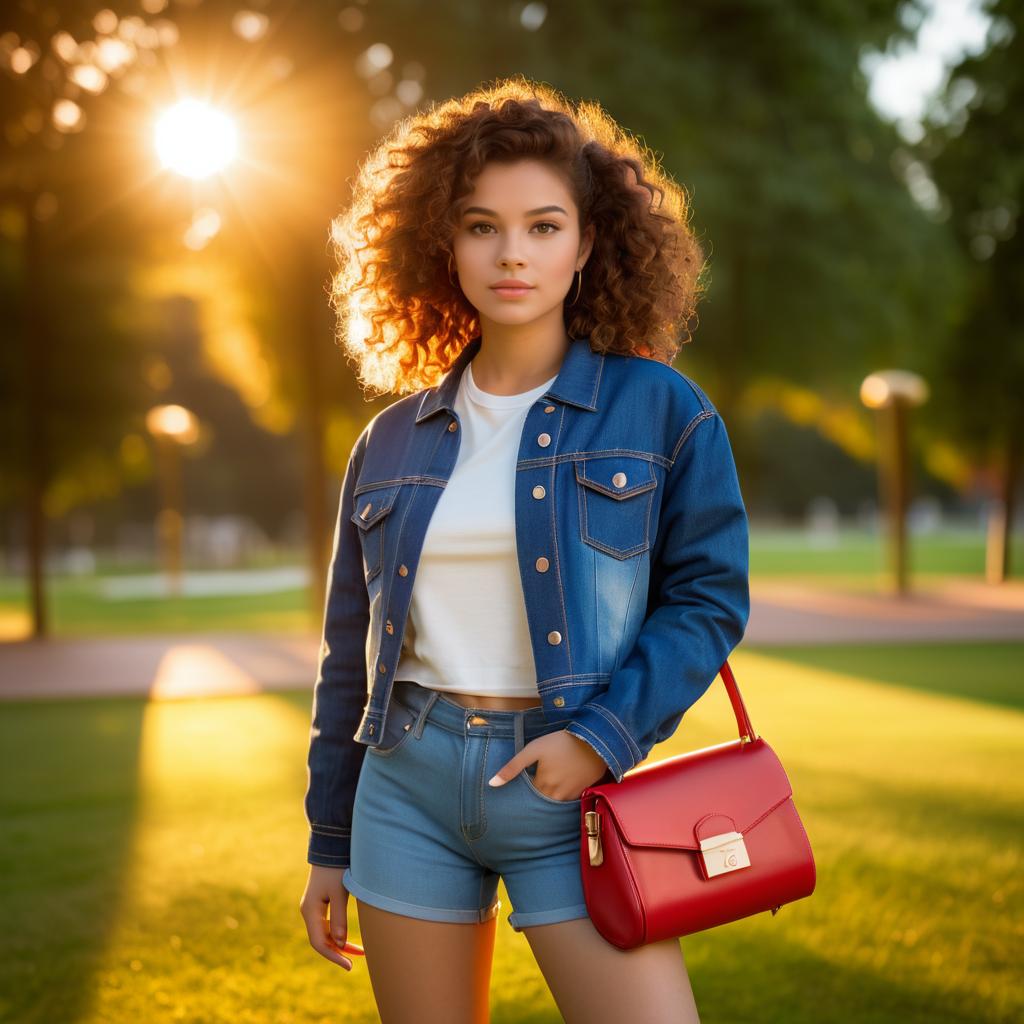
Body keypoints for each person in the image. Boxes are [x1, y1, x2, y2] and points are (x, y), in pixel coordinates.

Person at [299, 76, 750, 1024]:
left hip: (570, 792)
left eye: (544, 227)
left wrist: (601, 738)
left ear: (587, 244)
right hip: (406, 787)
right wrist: (329, 838)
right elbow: (351, 657)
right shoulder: (388, 444)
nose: (513, 254)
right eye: (481, 226)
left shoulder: (663, 410)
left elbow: (708, 599)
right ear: (444, 244)